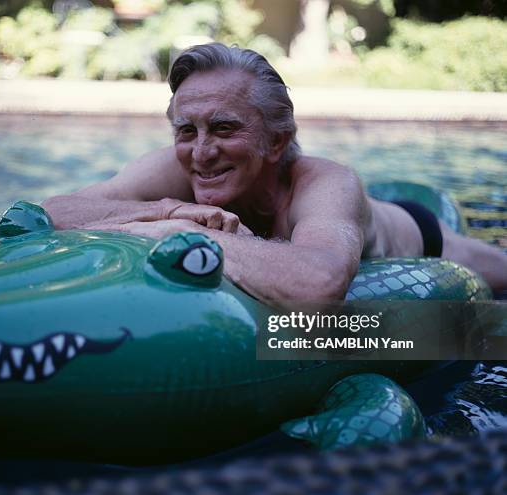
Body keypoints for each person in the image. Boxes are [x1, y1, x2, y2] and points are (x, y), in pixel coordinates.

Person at [42, 43, 507, 309]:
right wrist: (167, 211)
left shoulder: (326, 184)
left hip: (420, 235)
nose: (201, 152)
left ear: (277, 141)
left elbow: (317, 285)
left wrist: (185, 234)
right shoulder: (176, 167)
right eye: (187, 130)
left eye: (224, 128)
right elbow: (51, 211)